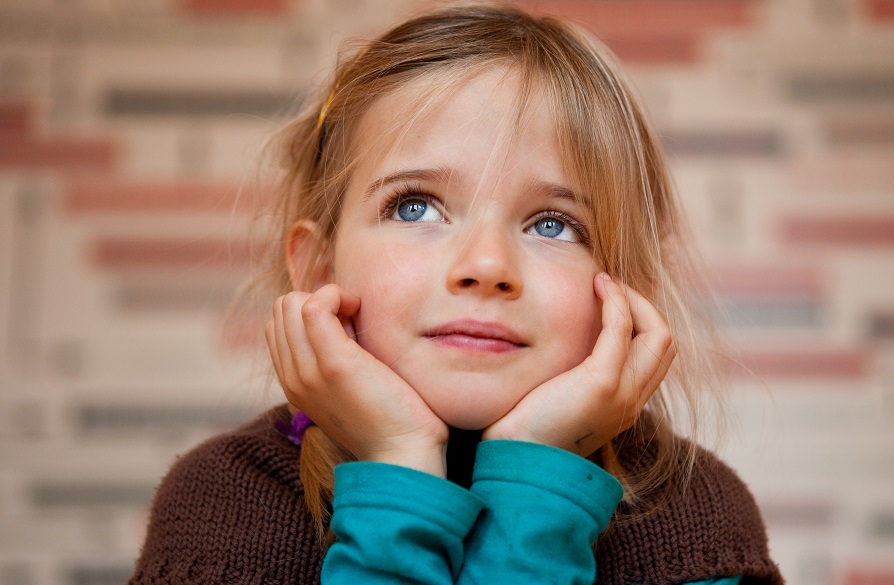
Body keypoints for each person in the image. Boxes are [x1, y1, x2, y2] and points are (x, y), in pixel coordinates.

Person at [128, 3, 783, 584]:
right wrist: (398, 461)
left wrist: (536, 473)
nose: (487, 265)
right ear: (319, 266)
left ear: (624, 290)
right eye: (415, 207)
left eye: (553, 223)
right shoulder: (225, 502)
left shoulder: (698, 518)